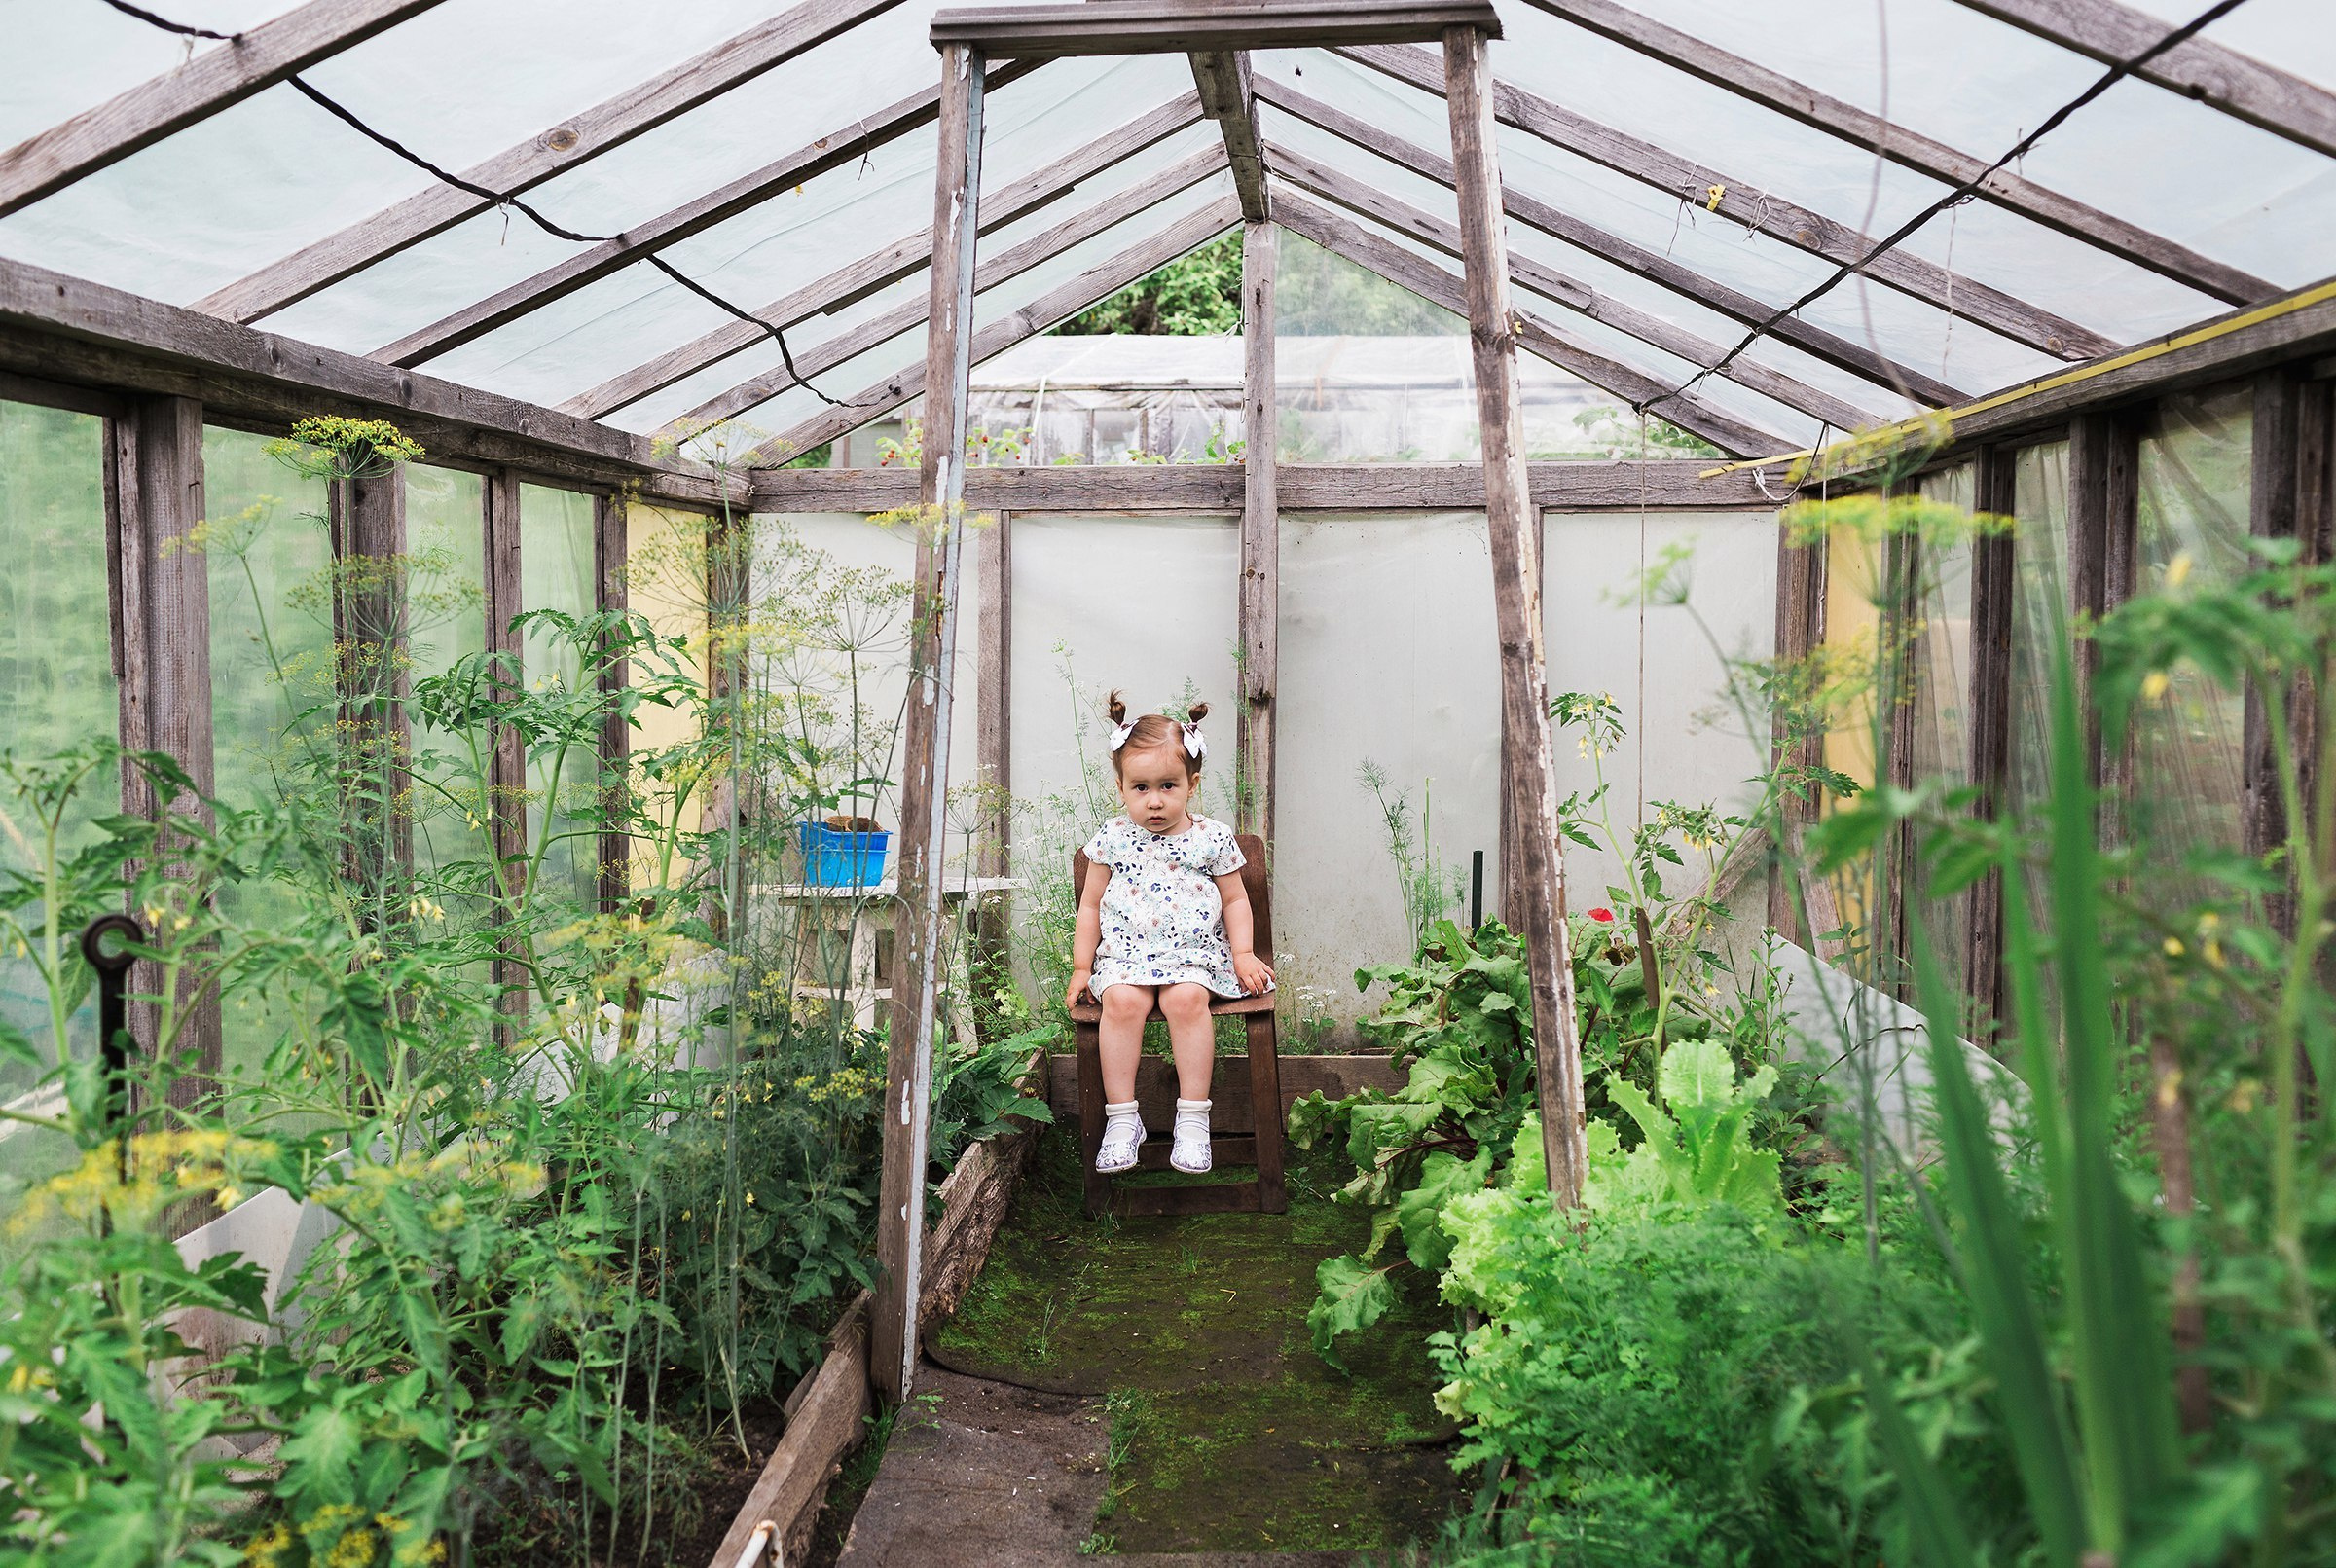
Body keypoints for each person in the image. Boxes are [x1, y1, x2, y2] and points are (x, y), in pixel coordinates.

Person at [1066, 693, 1274, 1175]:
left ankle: (1193, 1117)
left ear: (1191, 785)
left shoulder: (1211, 837)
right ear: (1121, 787)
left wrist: (1242, 952)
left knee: (1185, 1002)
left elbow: (1235, 899)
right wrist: (1083, 967)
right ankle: (1122, 1120)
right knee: (1120, 1002)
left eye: (1167, 786)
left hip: (1192, 957)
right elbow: (1091, 906)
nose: (1154, 800)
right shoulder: (1113, 838)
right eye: (1140, 788)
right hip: (1125, 958)